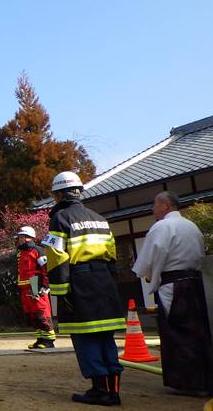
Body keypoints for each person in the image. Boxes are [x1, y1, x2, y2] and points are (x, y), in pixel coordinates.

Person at [42, 171, 126, 406]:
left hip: (79, 281)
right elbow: (112, 255)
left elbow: (58, 258)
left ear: (58, 194)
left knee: (85, 337)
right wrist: (110, 283)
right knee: (105, 336)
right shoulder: (100, 218)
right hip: (105, 283)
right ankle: (114, 391)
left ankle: (100, 390)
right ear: (79, 191)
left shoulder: (60, 218)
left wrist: (61, 293)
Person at [132, 191, 213, 395]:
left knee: (178, 332)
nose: (153, 209)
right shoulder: (191, 226)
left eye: (155, 205)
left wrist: (149, 274)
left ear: (166, 206)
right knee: (198, 331)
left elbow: (151, 257)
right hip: (195, 282)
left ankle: (189, 382)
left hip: (173, 285)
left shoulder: (162, 227)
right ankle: (205, 378)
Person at [15, 226, 56, 349]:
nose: (19, 239)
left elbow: (45, 269)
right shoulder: (20, 253)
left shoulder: (38, 251)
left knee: (40, 311)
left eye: (21, 237)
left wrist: (45, 285)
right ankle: (40, 339)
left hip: (34, 283)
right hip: (24, 286)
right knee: (32, 314)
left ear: (28, 238)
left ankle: (49, 340)